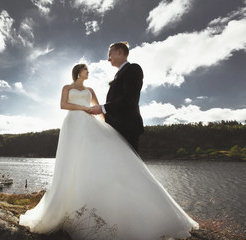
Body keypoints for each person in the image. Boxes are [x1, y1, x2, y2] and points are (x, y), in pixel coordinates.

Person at [19, 62, 198, 239]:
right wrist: (84, 109)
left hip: (89, 124)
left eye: (88, 70)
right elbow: (63, 105)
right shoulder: (67, 87)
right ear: (78, 72)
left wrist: (107, 127)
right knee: (70, 161)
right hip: (72, 123)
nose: (88, 72)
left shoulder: (91, 90)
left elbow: (100, 111)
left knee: (92, 159)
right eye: (85, 69)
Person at [88, 42, 144, 152]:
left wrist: (103, 108)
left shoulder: (133, 69)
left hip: (127, 128)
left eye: (110, 55)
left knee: (128, 166)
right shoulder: (118, 74)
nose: (108, 59)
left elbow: (130, 99)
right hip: (114, 128)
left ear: (119, 52)